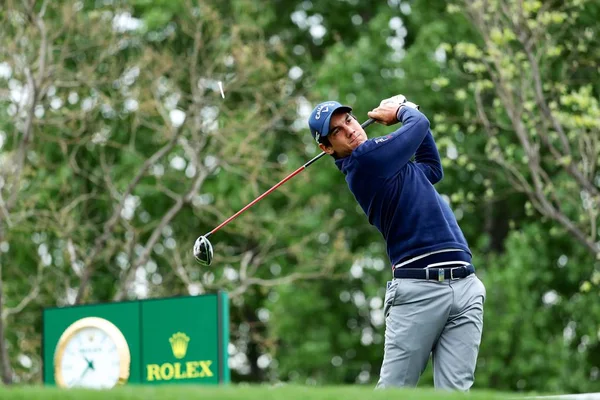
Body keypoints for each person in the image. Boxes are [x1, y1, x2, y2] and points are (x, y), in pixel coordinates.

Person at [307, 95, 486, 391]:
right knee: (395, 392)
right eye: (337, 131)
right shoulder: (363, 163)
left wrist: (410, 111)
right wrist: (403, 110)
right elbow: (418, 125)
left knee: (455, 393)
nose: (350, 129)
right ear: (326, 148)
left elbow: (431, 167)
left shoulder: (392, 166)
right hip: (418, 291)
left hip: (465, 285)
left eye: (349, 120)